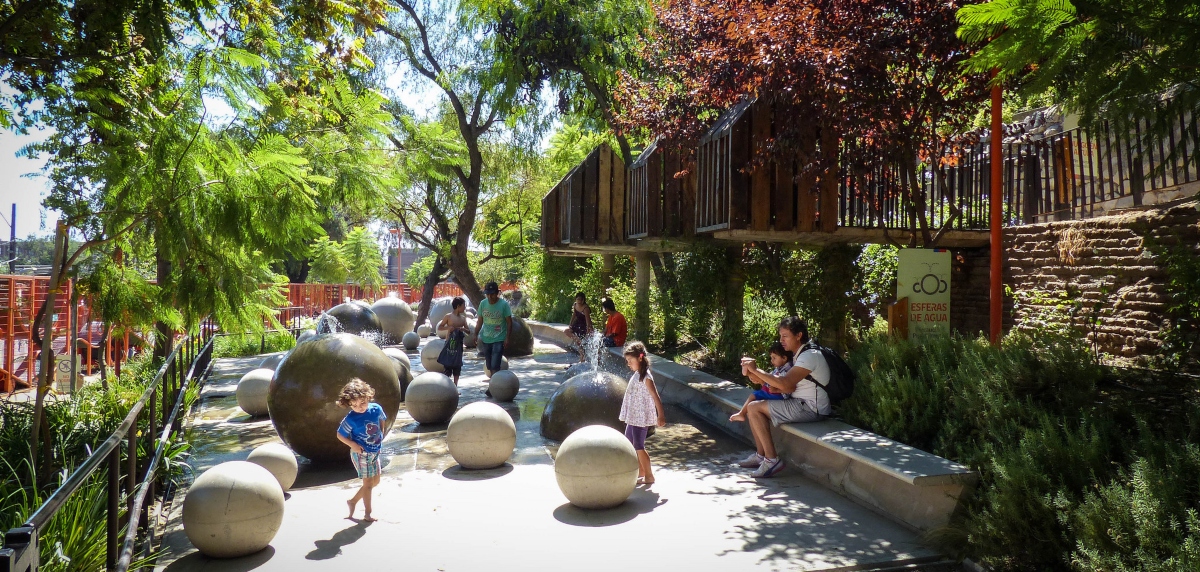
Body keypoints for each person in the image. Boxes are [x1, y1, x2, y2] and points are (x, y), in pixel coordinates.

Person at [730, 317, 830, 478]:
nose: (781, 340)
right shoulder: (799, 354)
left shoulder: (809, 356)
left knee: (754, 408)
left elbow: (785, 384)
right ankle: (761, 456)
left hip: (811, 408)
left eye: (785, 336)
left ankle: (771, 460)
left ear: (798, 335)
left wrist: (757, 371)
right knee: (754, 404)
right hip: (800, 402)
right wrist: (757, 376)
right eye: (780, 336)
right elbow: (788, 386)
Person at [335, 379, 387, 521]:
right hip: (361, 454)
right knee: (368, 485)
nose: (359, 407)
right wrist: (352, 445)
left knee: (375, 481)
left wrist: (381, 434)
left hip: (375, 451)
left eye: (362, 402)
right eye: (354, 405)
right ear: (349, 404)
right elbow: (340, 435)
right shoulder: (351, 419)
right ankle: (367, 514)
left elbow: (382, 419)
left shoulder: (376, 409)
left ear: (368, 397)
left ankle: (352, 501)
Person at [619, 341, 666, 485]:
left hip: (641, 417)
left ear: (640, 358)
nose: (629, 364)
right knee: (629, 442)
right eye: (627, 361)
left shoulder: (646, 378)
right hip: (633, 416)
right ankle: (641, 471)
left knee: (639, 445)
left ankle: (649, 475)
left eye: (630, 361)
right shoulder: (637, 374)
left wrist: (661, 415)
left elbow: (655, 396)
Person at [729, 341, 793, 422]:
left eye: (774, 358)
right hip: (775, 393)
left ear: (784, 358)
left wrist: (764, 381)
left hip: (779, 396)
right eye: (771, 358)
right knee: (756, 393)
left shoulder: (788, 370)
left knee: (754, 395)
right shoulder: (779, 368)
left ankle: (741, 413)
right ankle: (748, 369)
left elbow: (782, 384)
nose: (771, 361)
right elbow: (768, 380)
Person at [474, 282, 513, 376]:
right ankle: (494, 384)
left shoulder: (504, 305)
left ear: (497, 293)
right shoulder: (483, 304)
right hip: (486, 338)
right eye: (488, 294)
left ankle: (494, 388)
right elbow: (480, 321)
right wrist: (475, 334)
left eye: (492, 294)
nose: (490, 297)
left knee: (495, 364)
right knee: (489, 365)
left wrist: (507, 338)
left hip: (499, 338)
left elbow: (509, 322)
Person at [436, 297, 470, 385]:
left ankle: (455, 386)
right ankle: (446, 386)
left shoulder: (463, 318)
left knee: (457, 366)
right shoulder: (448, 316)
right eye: (463, 306)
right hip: (449, 344)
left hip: (459, 345)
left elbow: (469, 331)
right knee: (447, 366)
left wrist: (463, 329)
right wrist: (448, 328)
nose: (465, 308)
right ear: (458, 306)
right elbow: (440, 327)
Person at [564, 293, 592, 361]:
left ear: (583, 300)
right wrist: (570, 324)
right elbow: (574, 314)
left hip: (583, 326)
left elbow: (588, 320)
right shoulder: (575, 305)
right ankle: (579, 342)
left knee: (580, 344)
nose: (578, 301)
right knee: (567, 331)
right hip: (577, 324)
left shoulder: (585, 308)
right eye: (577, 299)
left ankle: (582, 357)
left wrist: (589, 330)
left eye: (580, 299)